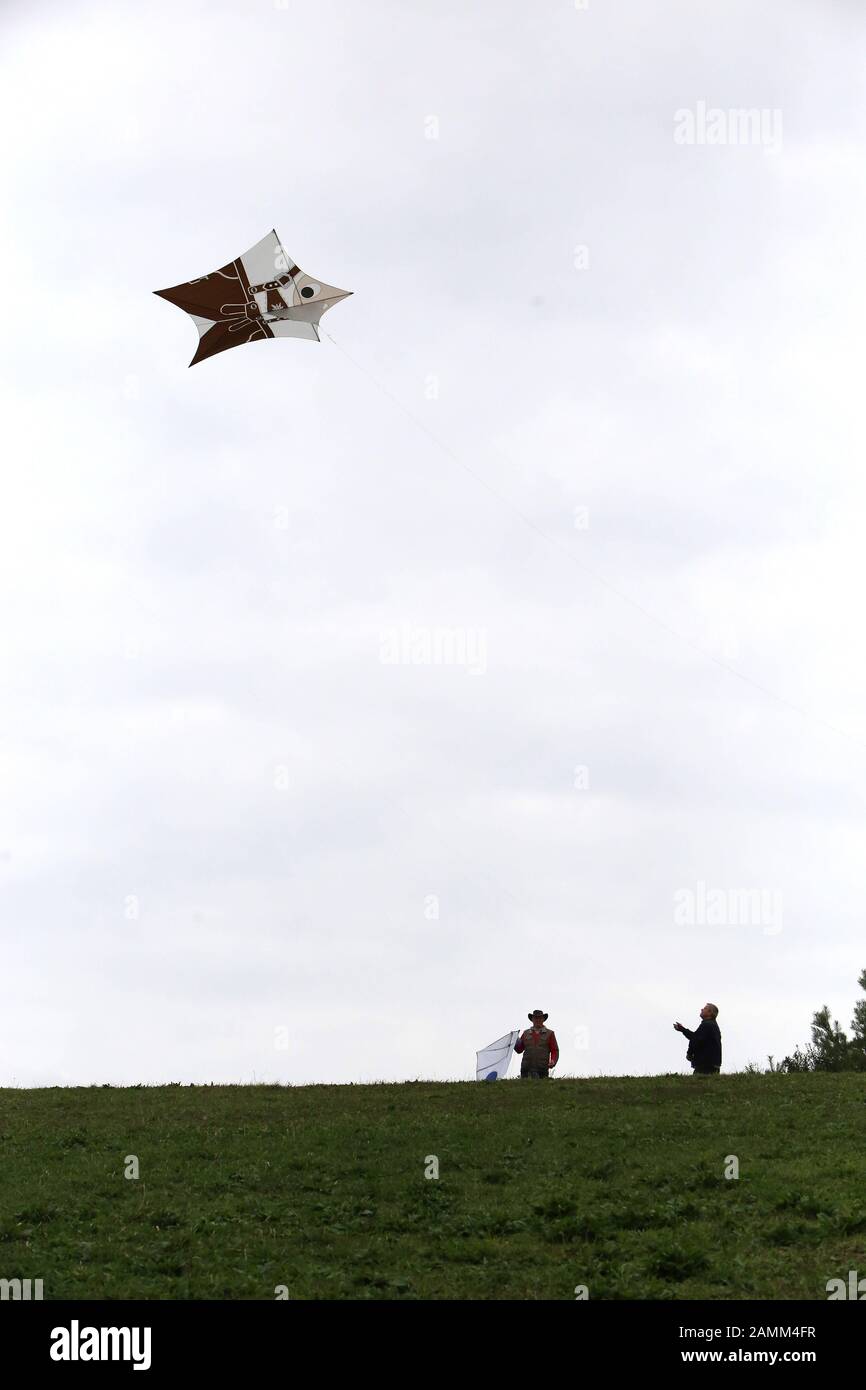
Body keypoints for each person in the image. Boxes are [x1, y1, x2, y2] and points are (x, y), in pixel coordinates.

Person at [674, 1003, 722, 1075]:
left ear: (710, 1013)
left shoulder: (707, 1025)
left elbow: (695, 1040)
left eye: (705, 1008)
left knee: (697, 1085)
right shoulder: (711, 1025)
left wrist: (689, 1054)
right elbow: (696, 1037)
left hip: (705, 1066)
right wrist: (682, 1029)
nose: (702, 1009)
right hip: (712, 1065)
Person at [515, 1009, 559, 1079]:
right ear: (532, 1019)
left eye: (540, 1018)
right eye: (535, 1018)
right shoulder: (525, 1033)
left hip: (542, 1069)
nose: (537, 1020)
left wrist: (553, 1061)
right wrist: (515, 1040)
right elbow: (519, 1050)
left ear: (543, 1019)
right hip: (526, 1069)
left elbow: (554, 1050)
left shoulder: (550, 1033)